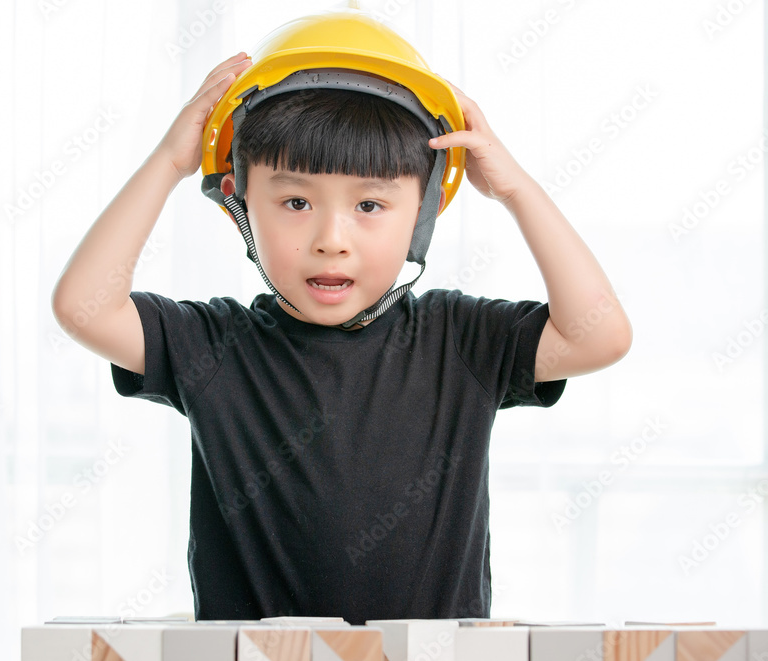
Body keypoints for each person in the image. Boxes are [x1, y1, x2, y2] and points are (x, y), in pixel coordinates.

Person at [51, 9, 632, 625]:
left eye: (370, 204)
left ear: (424, 213)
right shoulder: (215, 345)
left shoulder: (460, 340)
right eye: (296, 201)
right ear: (239, 203)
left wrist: (516, 189)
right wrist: (170, 161)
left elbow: (599, 335)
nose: (332, 238)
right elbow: (83, 306)